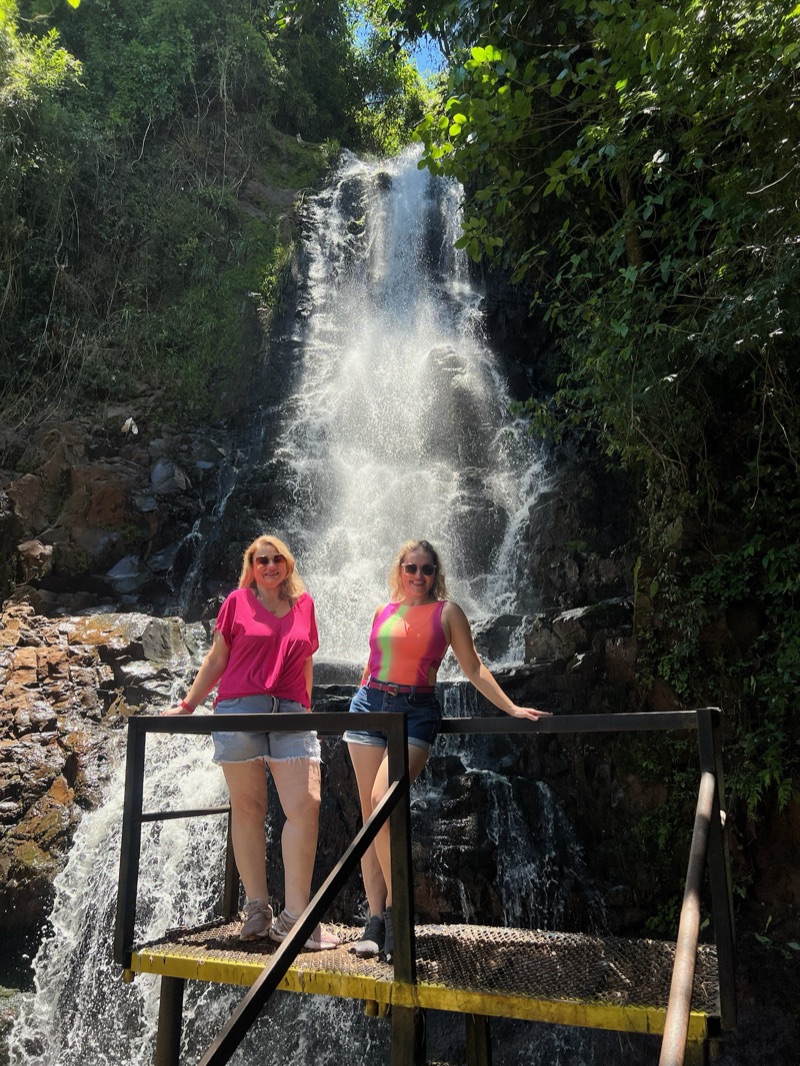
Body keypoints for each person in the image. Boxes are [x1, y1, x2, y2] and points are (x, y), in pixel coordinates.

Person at [344, 539, 551, 962]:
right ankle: (375, 922)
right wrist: (362, 695)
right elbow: (372, 661)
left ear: (436, 573)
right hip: (369, 707)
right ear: (400, 569)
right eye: (411, 567)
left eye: (427, 569)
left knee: (383, 802)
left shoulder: (448, 612)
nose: (418, 575)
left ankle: (398, 915)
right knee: (370, 818)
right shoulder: (383, 610)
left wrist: (511, 707)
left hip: (416, 711)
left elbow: (472, 667)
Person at [163, 534, 339, 950]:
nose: (270, 565)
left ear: (287, 564)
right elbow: (217, 659)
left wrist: (307, 709)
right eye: (262, 560)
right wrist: (188, 705)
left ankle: (295, 918)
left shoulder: (304, 605)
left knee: (306, 805)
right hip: (240, 708)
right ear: (252, 566)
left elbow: (306, 660)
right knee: (248, 808)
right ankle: (257, 908)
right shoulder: (236, 602)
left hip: (291, 711)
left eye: (277, 558)